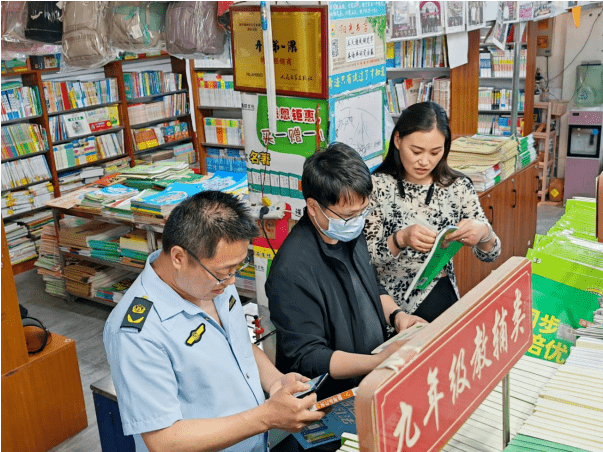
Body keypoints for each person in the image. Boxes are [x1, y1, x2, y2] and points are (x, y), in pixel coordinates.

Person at [103, 191, 324, 452]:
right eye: (223, 273)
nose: (231, 282)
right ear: (178, 257)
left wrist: (276, 383)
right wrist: (265, 417)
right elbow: (164, 441)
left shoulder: (213, 280)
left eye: (236, 269)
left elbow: (238, 343)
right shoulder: (137, 331)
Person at [265, 143, 425, 400]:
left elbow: (370, 285)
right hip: (331, 398)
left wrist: (397, 317)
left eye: (362, 212)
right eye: (348, 215)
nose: (357, 222)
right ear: (313, 207)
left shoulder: (346, 230)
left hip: (370, 381)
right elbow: (309, 357)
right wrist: (378, 361)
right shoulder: (291, 270)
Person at [365, 102, 501, 322]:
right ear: (398, 140)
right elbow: (366, 258)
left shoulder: (457, 187)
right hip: (385, 303)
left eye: (435, 152)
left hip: (437, 294)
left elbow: (492, 254)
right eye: (416, 151)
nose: (425, 161)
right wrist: (400, 239)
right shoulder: (376, 187)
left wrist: (483, 233)